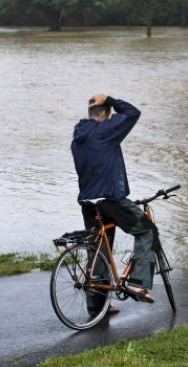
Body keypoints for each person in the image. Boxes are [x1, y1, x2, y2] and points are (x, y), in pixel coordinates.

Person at [71, 94, 158, 304]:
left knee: (99, 248)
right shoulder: (105, 130)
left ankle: (96, 306)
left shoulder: (77, 138)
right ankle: (138, 283)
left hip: (88, 203)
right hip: (110, 199)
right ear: (104, 114)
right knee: (147, 231)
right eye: (108, 114)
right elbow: (132, 113)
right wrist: (110, 99)